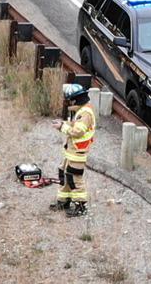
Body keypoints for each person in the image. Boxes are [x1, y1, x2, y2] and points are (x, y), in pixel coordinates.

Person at [53, 83, 96, 215]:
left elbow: (78, 131)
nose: (70, 102)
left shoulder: (86, 113)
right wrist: (63, 123)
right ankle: (63, 201)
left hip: (78, 152)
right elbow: (74, 124)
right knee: (64, 174)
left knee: (74, 178)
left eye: (71, 99)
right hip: (71, 151)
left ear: (76, 98)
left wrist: (62, 127)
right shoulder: (81, 111)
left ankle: (80, 207)